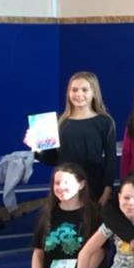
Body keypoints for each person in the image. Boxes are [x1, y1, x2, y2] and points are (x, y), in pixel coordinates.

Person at [25, 164, 101, 268]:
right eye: (57, 183)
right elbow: (38, 252)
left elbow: (99, 253)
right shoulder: (46, 213)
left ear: (81, 184)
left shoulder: (92, 213)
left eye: (66, 182)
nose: (61, 187)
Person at [29, 72, 116, 204]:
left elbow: (110, 159)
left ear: (94, 92)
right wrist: (36, 146)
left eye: (84, 90)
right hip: (64, 187)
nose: (79, 94)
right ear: (68, 93)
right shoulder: (57, 122)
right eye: (74, 90)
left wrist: (106, 192)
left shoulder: (105, 121)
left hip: (94, 186)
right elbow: (51, 159)